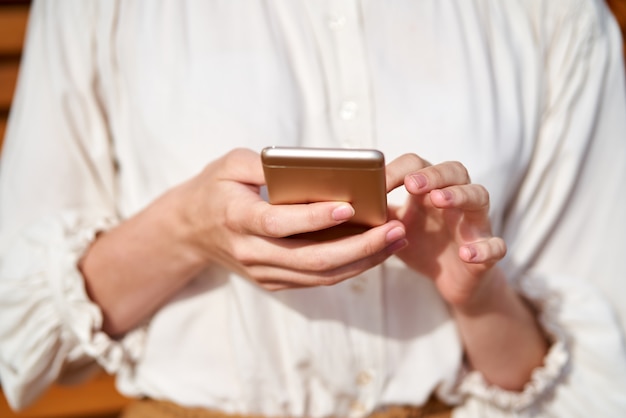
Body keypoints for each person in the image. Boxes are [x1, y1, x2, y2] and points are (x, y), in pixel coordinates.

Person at [1, 0, 625, 417]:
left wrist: (478, 296)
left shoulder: (553, 15)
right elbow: (17, 325)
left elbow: (593, 382)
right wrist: (188, 230)